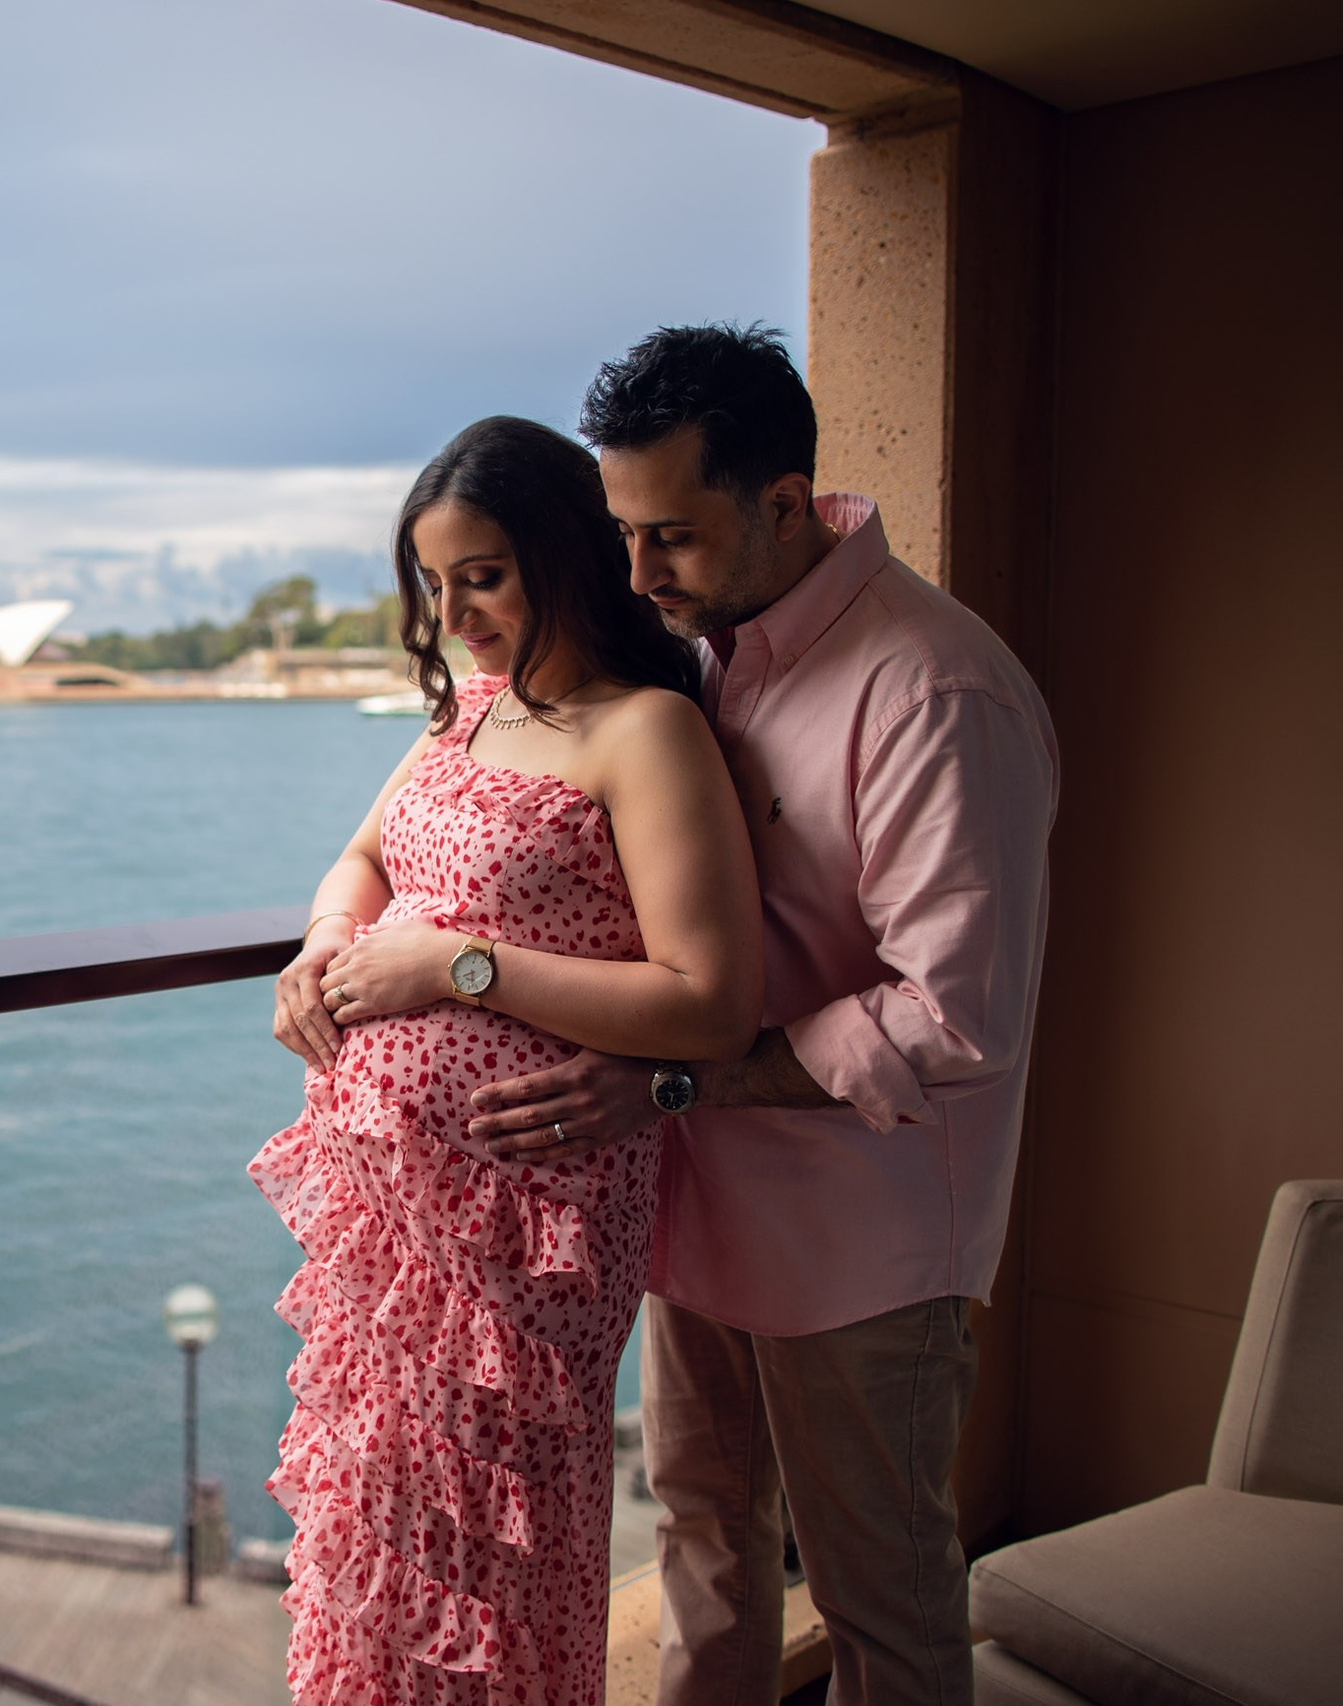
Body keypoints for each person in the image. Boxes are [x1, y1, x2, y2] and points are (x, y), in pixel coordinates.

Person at [460, 326, 1058, 1706]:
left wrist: (675, 1083)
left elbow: (960, 1016)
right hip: (697, 1209)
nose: (634, 573)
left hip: (868, 1243)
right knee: (706, 1557)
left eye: (667, 534)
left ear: (785, 502)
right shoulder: (699, 652)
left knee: (881, 1602)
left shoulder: (937, 689)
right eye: (620, 532)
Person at [258, 415, 764, 1705]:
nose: (455, 612)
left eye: (481, 574)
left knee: (487, 1539)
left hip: (530, 1222)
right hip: (385, 1230)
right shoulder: (471, 714)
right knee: (378, 1519)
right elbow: (365, 856)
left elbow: (709, 1001)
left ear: (564, 554)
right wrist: (324, 944)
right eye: (435, 584)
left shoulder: (643, 732)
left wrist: (452, 964)